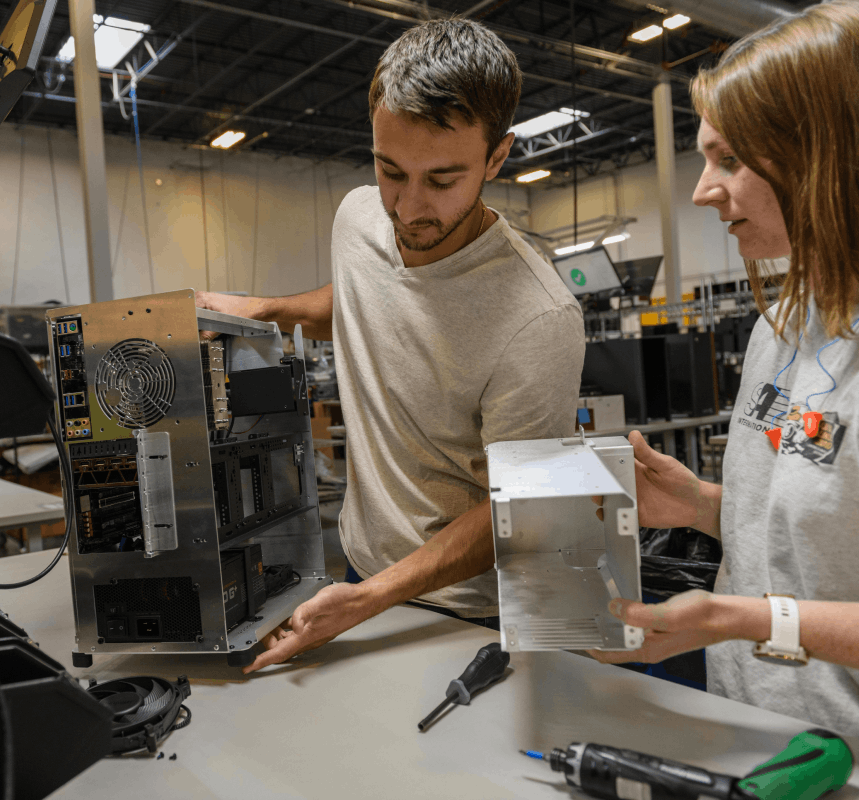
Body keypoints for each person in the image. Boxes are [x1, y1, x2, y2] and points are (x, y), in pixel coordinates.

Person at [589, 0, 859, 753]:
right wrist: (704, 505)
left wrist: (748, 617)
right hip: (752, 737)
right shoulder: (783, 325)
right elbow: (850, 539)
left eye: (731, 160)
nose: (703, 190)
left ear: (830, 155)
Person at [197, 19, 585, 673]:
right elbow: (362, 298)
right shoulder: (357, 216)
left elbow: (516, 514)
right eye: (390, 170)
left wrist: (369, 600)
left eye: (441, 180)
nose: (407, 208)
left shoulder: (537, 319)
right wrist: (263, 308)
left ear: (496, 158)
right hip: (361, 574)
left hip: (467, 613)